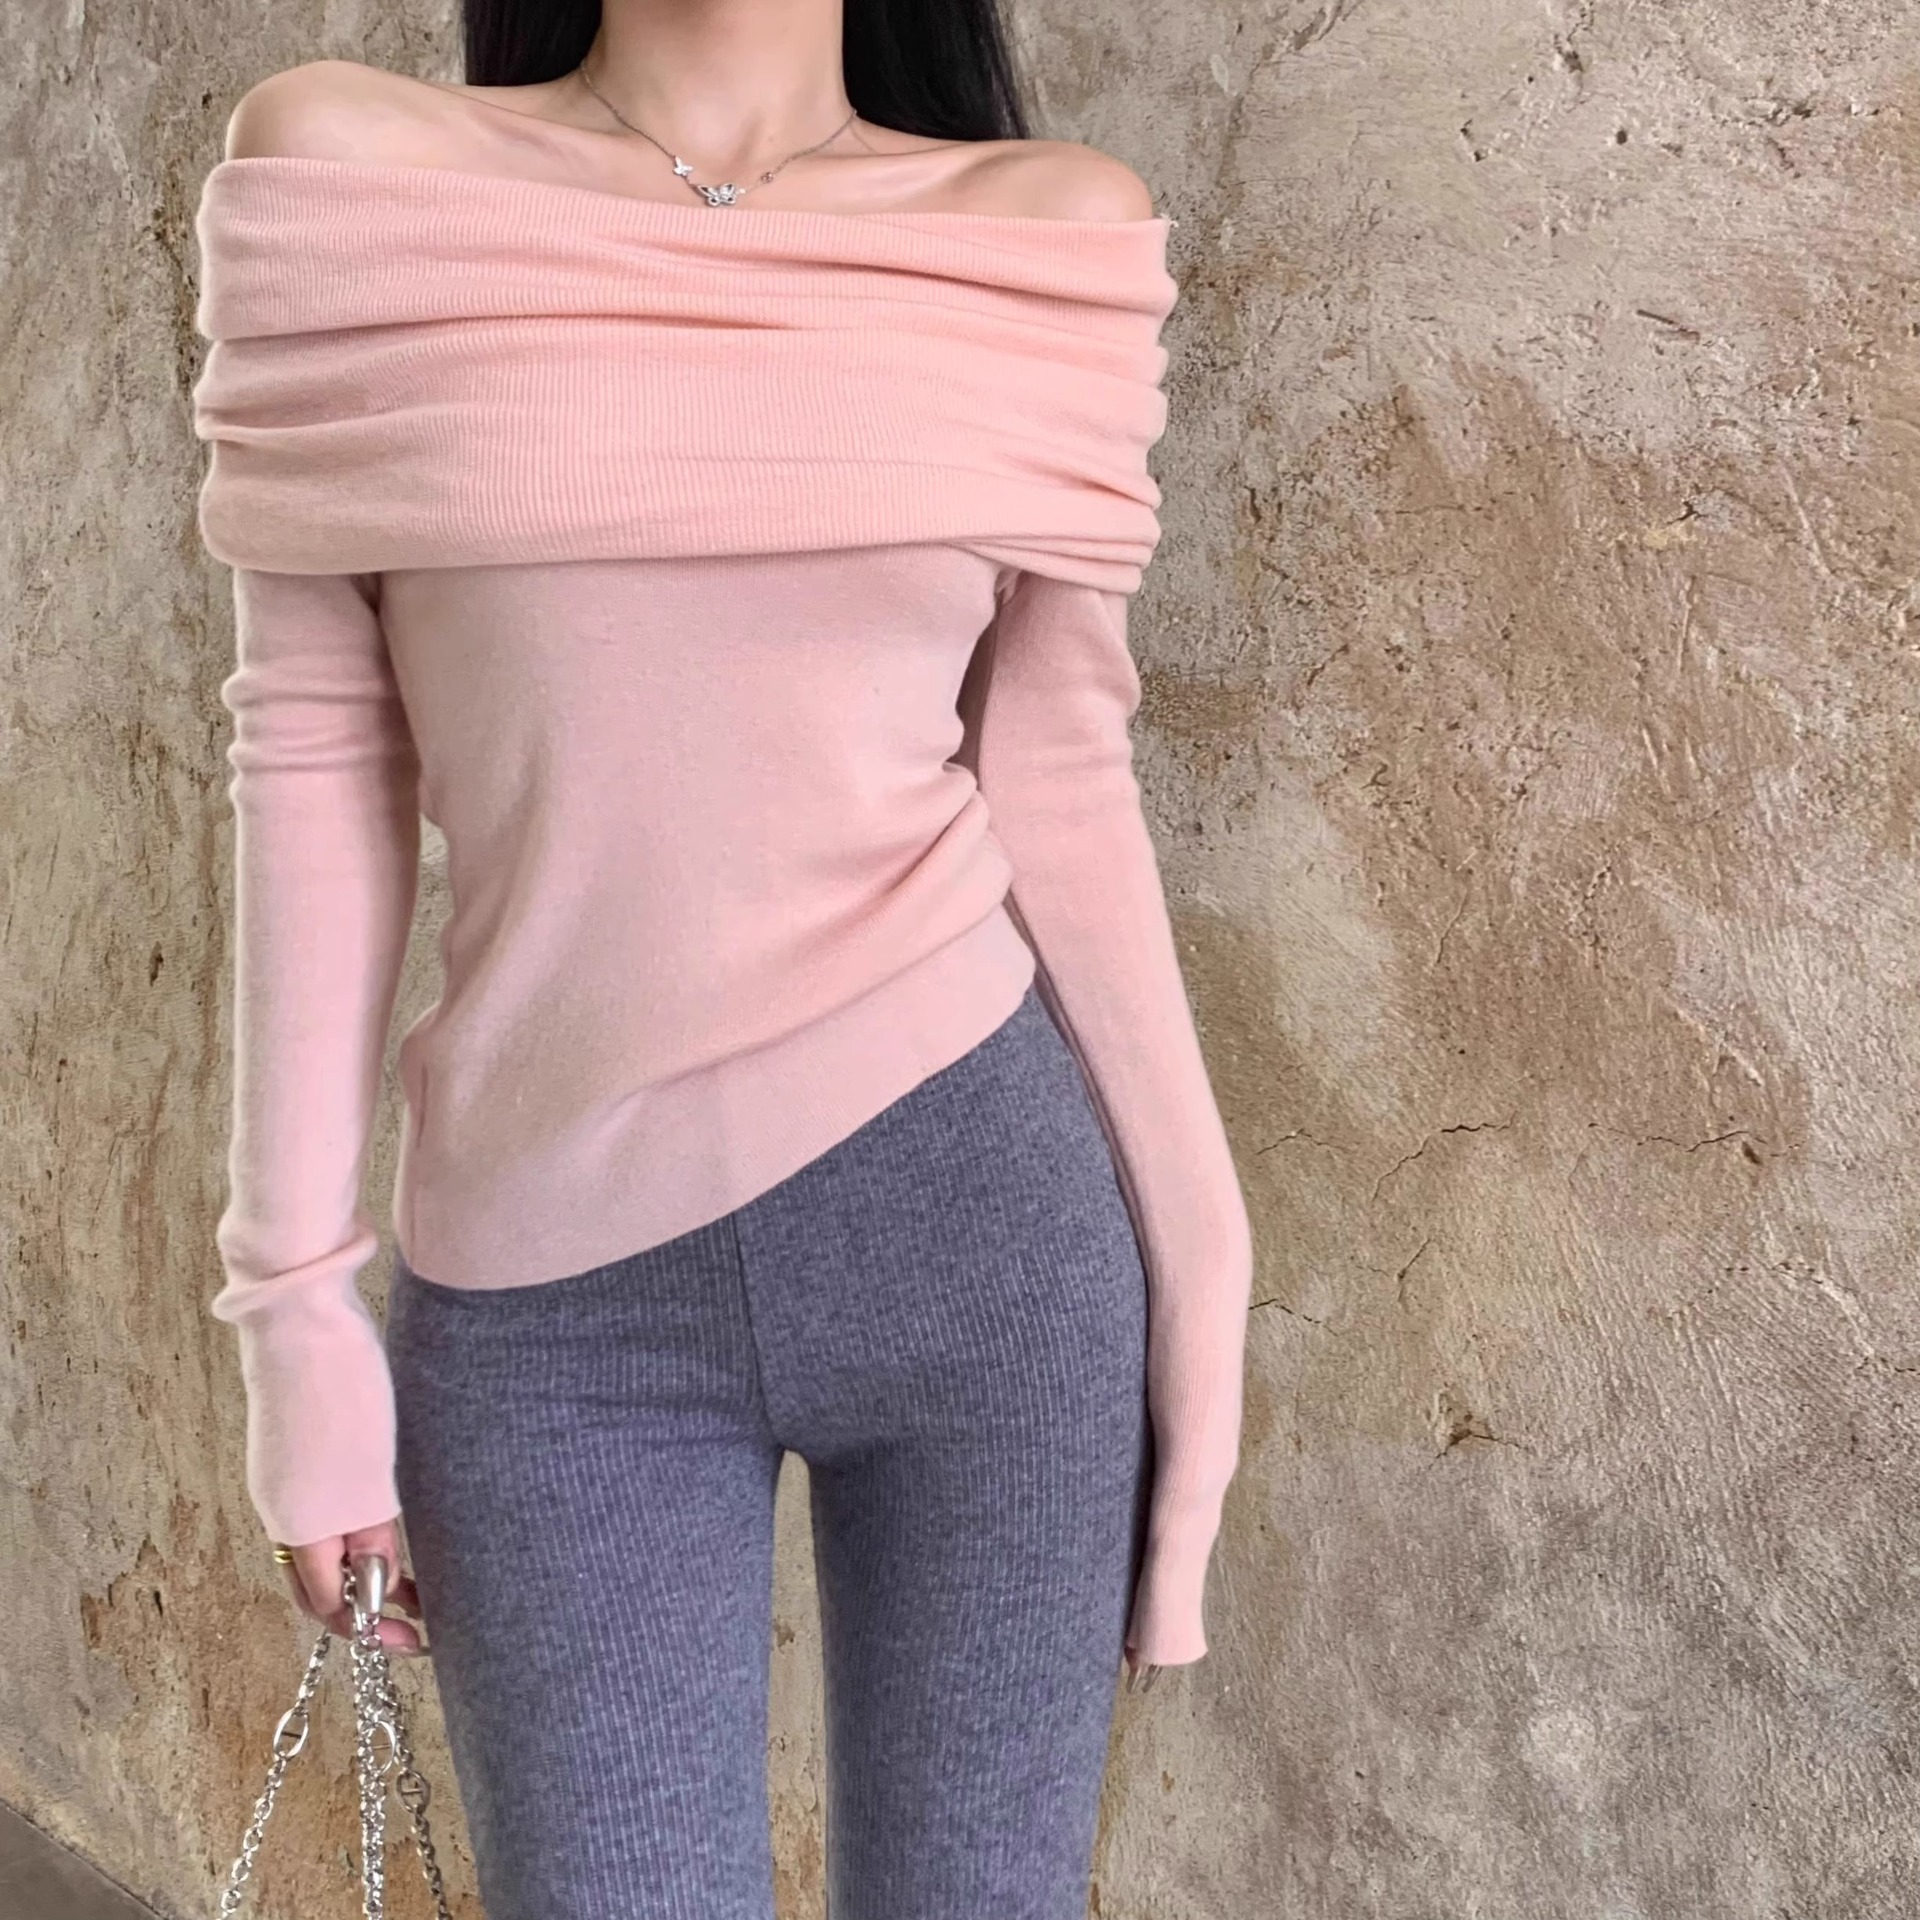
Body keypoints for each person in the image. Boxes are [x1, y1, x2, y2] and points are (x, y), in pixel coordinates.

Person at [188, 3, 1252, 1912]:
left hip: (986, 1232)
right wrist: (294, 1317)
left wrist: (1208, 1275)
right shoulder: (354, 174)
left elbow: (1063, 777)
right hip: (547, 1285)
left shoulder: (1045, 229)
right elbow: (316, 755)